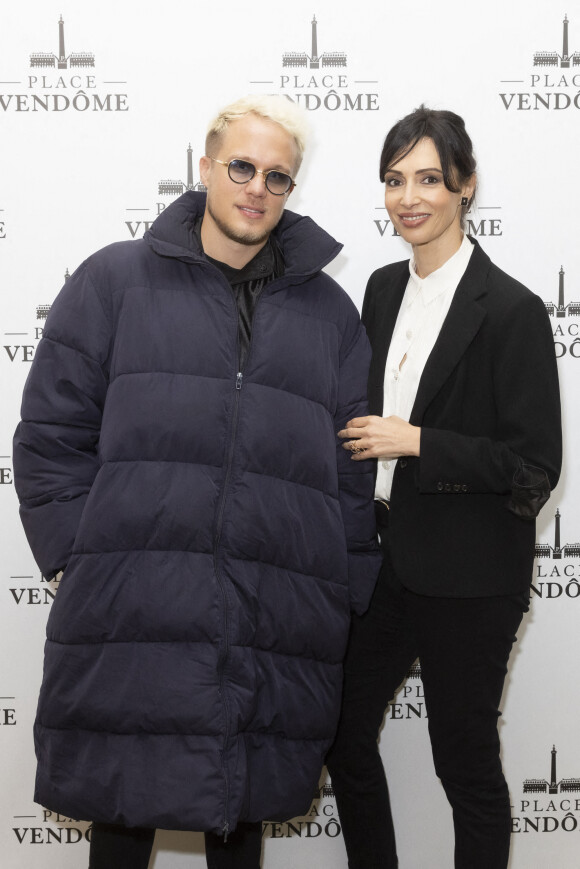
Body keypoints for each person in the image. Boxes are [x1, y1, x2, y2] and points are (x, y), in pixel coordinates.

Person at [12, 94, 381, 869]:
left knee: (238, 808)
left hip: (269, 607)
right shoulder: (113, 281)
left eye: (278, 176)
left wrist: (343, 586)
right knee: (121, 807)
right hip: (131, 604)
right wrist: (80, 558)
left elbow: (351, 470)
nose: (257, 188)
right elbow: (50, 436)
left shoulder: (330, 314)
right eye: (242, 167)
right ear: (206, 166)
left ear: (292, 188)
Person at [326, 106, 562, 869]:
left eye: (428, 177)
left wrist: (419, 442)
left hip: (471, 576)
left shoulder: (515, 311)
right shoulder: (382, 288)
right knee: (337, 731)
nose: (409, 196)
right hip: (382, 563)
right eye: (395, 180)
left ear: (465, 186)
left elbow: (533, 465)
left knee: (463, 767)